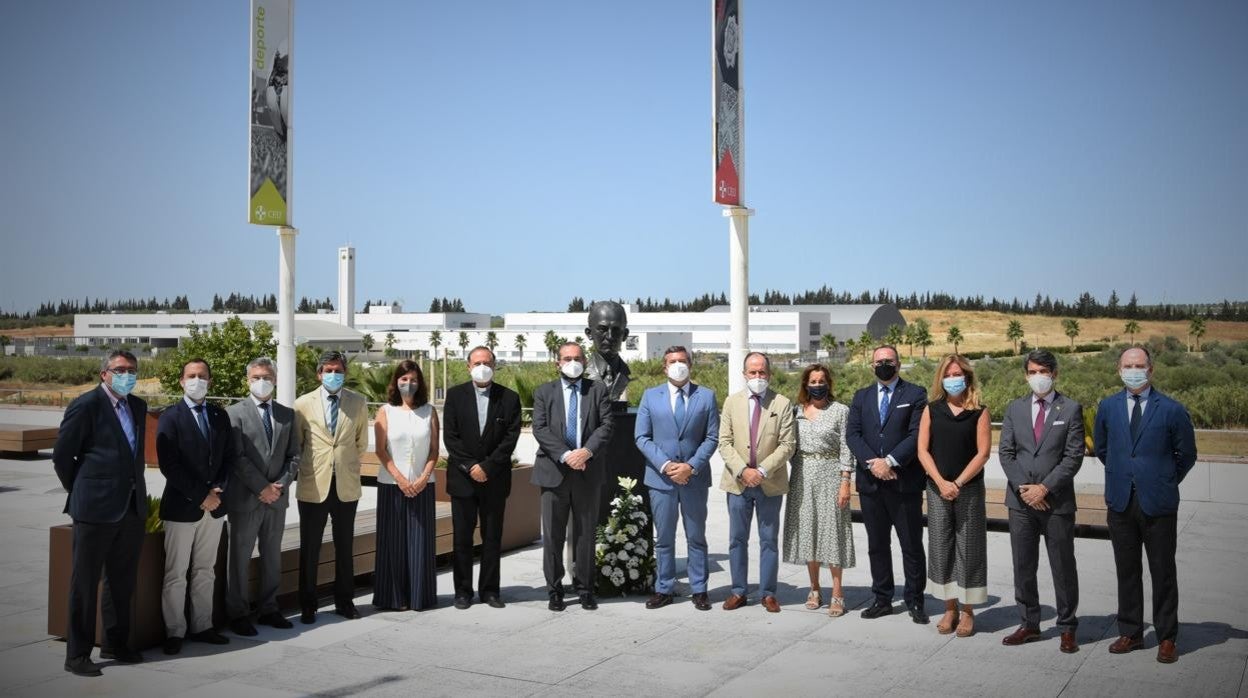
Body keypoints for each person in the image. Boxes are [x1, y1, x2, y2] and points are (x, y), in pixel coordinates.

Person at [1095, 346, 1197, 664]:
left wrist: (1163, 479)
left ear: (1151, 370)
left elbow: (1187, 455)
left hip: (1159, 502)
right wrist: (1125, 475)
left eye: (1140, 365)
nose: (1134, 370)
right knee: (1127, 570)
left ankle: (1167, 637)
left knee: (1163, 571)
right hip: (1121, 501)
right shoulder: (1108, 407)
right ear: (1118, 369)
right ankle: (1131, 632)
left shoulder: (1171, 409)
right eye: (1128, 365)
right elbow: (1102, 448)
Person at [52, 350, 148, 676]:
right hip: (94, 509)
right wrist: (82, 489)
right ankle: (77, 655)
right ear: (104, 373)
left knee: (121, 582)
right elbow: (63, 457)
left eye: (132, 370)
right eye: (120, 369)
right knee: (85, 583)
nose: (127, 375)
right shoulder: (86, 405)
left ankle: (116, 644)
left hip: (131, 509)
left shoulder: (138, 406)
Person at [998, 350, 1085, 653]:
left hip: (1056, 503)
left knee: (1062, 566)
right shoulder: (1015, 408)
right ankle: (1029, 624)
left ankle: (1067, 627)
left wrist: (1044, 489)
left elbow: (1074, 456)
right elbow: (1006, 453)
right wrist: (1026, 489)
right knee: (1023, 566)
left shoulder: (1070, 409)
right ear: (1026, 375)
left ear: (1055, 374)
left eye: (1044, 371)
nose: (1039, 376)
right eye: (1033, 371)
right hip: (1020, 503)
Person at [156, 358, 235, 654]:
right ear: (181, 381)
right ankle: (175, 631)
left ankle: (203, 626)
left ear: (210, 382)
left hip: (214, 507)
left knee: (205, 570)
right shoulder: (170, 417)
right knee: (176, 573)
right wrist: (202, 495)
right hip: (182, 507)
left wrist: (219, 489)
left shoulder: (219, 415)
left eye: (202, 376)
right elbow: (170, 466)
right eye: (191, 375)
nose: (197, 380)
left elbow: (229, 457)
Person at [846, 344, 929, 623]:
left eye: (889, 361)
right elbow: (853, 435)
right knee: (877, 545)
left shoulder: (916, 394)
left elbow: (917, 434)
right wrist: (875, 463)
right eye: (879, 361)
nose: (884, 365)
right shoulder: (861, 396)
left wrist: (890, 461)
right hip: (871, 485)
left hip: (904, 484)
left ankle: (916, 600)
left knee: (911, 546)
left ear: (899, 363)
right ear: (872, 366)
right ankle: (882, 598)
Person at [634, 346, 719, 611]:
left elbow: (712, 437)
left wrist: (691, 467)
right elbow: (642, 437)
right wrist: (667, 464)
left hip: (694, 479)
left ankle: (699, 589)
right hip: (661, 480)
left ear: (690, 365)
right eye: (673, 361)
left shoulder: (706, 396)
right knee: (664, 538)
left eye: (682, 361)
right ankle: (664, 588)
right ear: (664, 366)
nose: (678, 365)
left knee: (696, 537)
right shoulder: (650, 396)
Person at [531, 341, 614, 611]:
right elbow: (540, 428)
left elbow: (606, 425)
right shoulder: (544, 392)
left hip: (587, 473)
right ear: (558, 363)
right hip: (554, 472)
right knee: (553, 536)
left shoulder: (597, 390)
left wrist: (586, 452)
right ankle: (554, 590)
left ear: (585, 361)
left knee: (585, 534)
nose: (572, 362)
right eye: (567, 358)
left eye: (577, 357)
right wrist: (567, 455)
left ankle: (585, 588)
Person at [916, 354, 991, 637]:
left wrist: (957, 483)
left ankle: (968, 612)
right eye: (948, 374)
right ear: (941, 379)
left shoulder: (979, 412)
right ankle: (950, 608)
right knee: (941, 547)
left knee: (970, 549)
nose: (953, 379)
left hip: (968, 489)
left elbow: (983, 453)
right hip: (937, 489)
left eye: (958, 374)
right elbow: (922, 450)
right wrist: (940, 481)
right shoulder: (931, 409)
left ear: (968, 377)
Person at [225, 357, 300, 636]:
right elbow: (238, 457)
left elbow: (294, 456)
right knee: (239, 558)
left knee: (272, 556)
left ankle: (269, 608)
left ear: (275, 379)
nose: (262, 381)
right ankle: (238, 612)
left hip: (276, 500)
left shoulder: (287, 414)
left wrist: (278, 486)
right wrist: (262, 488)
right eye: (256, 377)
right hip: (246, 499)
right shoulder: (234, 413)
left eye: (267, 376)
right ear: (248, 381)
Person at [294, 351, 370, 623]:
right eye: (328, 370)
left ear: (345, 373)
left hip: (346, 486)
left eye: (338, 370)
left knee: (345, 546)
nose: (333, 375)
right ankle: (308, 604)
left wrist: (343, 463)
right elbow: (298, 444)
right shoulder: (302, 404)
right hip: (313, 485)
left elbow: (360, 443)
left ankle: (345, 602)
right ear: (319, 373)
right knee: (310, 547)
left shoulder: (358, 402)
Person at [442, 347, 521, 610]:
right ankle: (462, 591)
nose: (482, 366)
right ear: (468, 366)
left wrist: (487, 466)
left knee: (492, 538)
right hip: (463, 480)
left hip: (494, 479)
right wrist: (470, 466)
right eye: (477, 362)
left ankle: (490, 590)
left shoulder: (509, 398)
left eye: (487, 362)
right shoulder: (454, 396)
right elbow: (450, 437)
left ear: (495, 365)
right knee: (462, 539)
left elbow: (510, 438)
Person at [718, 352, 796, 613]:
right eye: (753, 372)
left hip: (769, 483)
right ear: (744, 375)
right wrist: (743, 470)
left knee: (768, 540)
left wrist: (761, 470)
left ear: (769, 374)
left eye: (762, 372)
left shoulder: (782, 403)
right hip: (738, 484)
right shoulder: (731, 403)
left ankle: (768, 593)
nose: (758, 377)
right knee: (737, 539)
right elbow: (724, 442)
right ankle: (738, 591)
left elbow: (788, 444)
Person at [782, 363, 855, 617]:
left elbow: (847, 447)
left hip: (831, 475)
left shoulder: (840, 411)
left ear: (829, 383)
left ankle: (837, 592)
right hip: (802, 476)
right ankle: (814, 588)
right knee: (808, 532)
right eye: (812, 381)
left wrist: (846, 480)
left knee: (832, 532)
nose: (817, 385)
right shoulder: (796, 411)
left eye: (821, 380)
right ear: (805, 385)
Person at [372, 360, 439, 611]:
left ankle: (420, 596)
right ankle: (393, 597)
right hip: (391, 485)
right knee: (393, 543)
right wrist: (400, 478)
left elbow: (434, 450)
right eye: (403, 379)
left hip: (423, 484)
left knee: (421, 542)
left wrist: (422, 478)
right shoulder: (385, 411)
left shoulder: (429, 411)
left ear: (419, 382)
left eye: (412, 379)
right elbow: (380, 450)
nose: (408, 384)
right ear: (395, 381)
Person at [583, 300, 631, 401]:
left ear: (625, 334)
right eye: (602, 329)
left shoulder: (633, 374)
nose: (609, 337)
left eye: (616, 330)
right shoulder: (580, 374)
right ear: (589, 333)